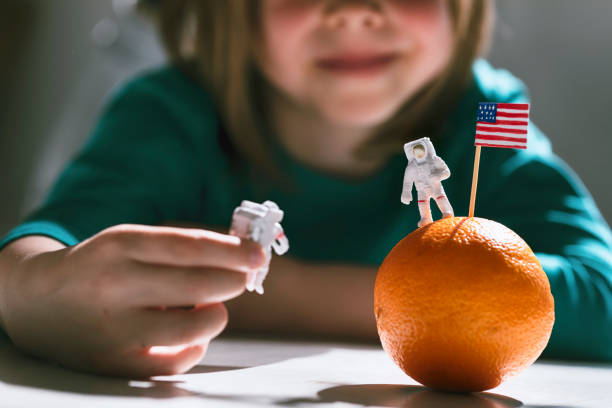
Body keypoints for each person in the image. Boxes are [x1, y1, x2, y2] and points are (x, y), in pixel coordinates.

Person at [0, 0, 610, 378]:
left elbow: (604, 296)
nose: (352, 9)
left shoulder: (488, 118)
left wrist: (283, 294)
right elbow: (43, 248)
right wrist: (32, 291)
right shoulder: (168, 115)